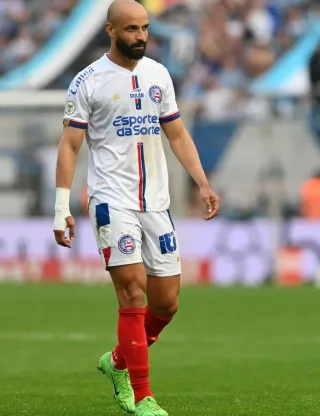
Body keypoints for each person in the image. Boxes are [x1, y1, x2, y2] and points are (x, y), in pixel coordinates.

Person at [52, 1, 219, 414]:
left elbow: (177, 134)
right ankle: (142, 397)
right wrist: (61, 205)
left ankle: (117, 361)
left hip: (156, 203)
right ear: (111, 30)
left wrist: (202, 182)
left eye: (144, 28)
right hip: (111, 201)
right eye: (131, 29)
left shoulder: (158, 74)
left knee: (166, 303)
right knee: (132, 292)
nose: (141, 36)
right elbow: (70, 145)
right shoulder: (87, 82)